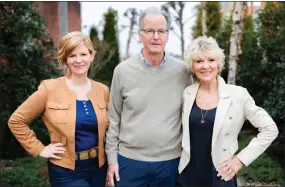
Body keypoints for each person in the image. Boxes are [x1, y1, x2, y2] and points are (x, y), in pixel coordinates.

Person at [8, 31, 109, 187]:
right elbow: (16, 120)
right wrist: (39, 149)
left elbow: (112, 130)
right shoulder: (50, 88)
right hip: (65, 171)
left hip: (99, 169)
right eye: (72, 55)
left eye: (83, 54)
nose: (78, 60)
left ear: (91, 56)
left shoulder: (102, 90)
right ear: (65, 59)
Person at [105, 7, 192, 187]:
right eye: (149, 31)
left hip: (171, 162)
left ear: (167, 35)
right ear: (140, 35)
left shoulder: (183, 71)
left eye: (161, 31)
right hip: (129, 162)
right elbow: (113, 118)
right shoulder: (122, 71)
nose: (156, 36)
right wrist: (112, 160)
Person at [177, 36, 279, 187]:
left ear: (219, 63)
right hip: (187, 175)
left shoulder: (238, 95)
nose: (206, 66)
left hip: (220, 175)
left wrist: (239, 160)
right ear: (192, 66)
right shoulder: (187, 93)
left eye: (211, 60)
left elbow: (270, 129)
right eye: (199, 61)